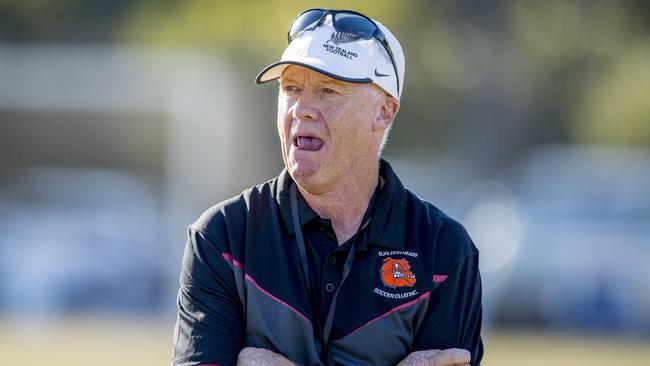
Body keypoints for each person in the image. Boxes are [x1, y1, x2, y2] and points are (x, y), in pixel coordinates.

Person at [172, 8, 483, 366]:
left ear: (384, 111)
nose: (301, 109)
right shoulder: (223, 237)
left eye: (328, 90)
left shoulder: (444, 251)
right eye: (290, 88)